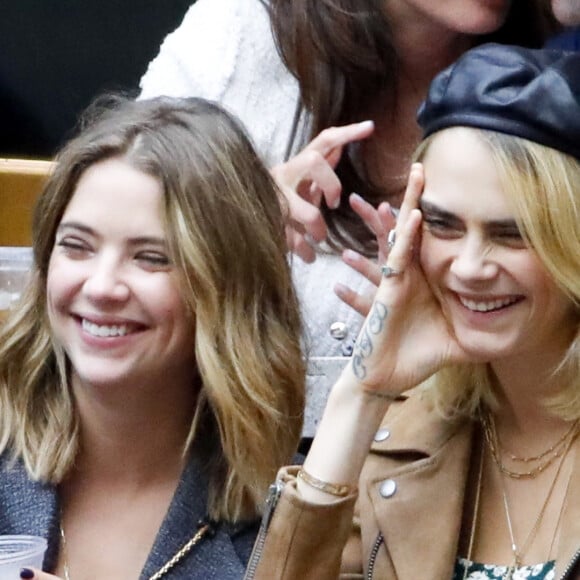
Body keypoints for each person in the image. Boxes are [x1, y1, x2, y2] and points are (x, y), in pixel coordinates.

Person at [139, 0, 556, 440]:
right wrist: (236, 217)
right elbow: (103, 234)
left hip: (447, 478)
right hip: (213, 460)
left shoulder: (554, 71)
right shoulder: (240, 34)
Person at [243, 44, 580, 579]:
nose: (469, 267)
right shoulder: (402, 437)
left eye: (511, 234)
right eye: (444, 226)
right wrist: (362, 394)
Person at [0, 96, 305, 579]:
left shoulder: (287, 516)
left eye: (151, 257)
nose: (101, 287)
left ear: (227, 286)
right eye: (76, 246)